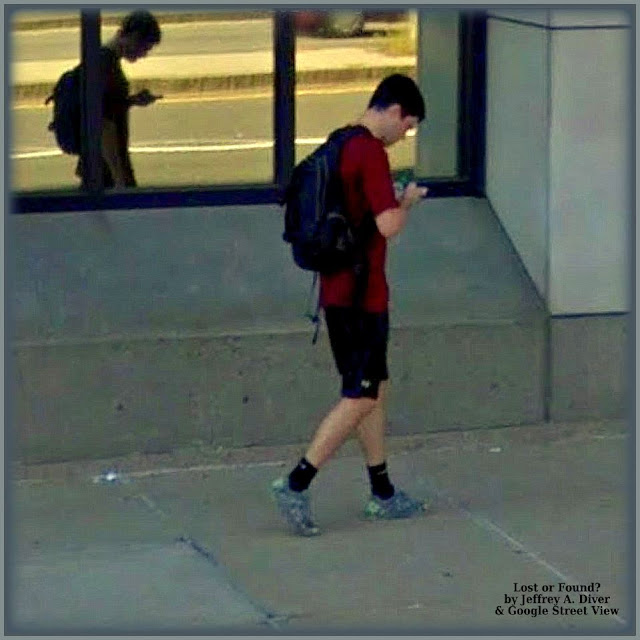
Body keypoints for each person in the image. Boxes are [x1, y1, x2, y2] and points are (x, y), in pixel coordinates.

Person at [271, 74, 430, 536]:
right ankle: (297, 481)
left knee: (373, 390)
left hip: (338, 290)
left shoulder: (340, 141)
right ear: (397, 111)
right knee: (360, 393)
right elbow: (387, 226)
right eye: (409, 125)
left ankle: (382, 491)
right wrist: (408, 202)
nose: (406, 135)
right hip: (361, 296)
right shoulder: (369, 152)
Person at [76, 10, 162, 189]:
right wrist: (120, 180)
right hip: (105, 171)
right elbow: (104, 125)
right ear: (133, 37)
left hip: (97, 168)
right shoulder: (105, 66)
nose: (143, 54)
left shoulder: (103, 61)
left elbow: (107, 106)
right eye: (144, 47)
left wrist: (130, 101)